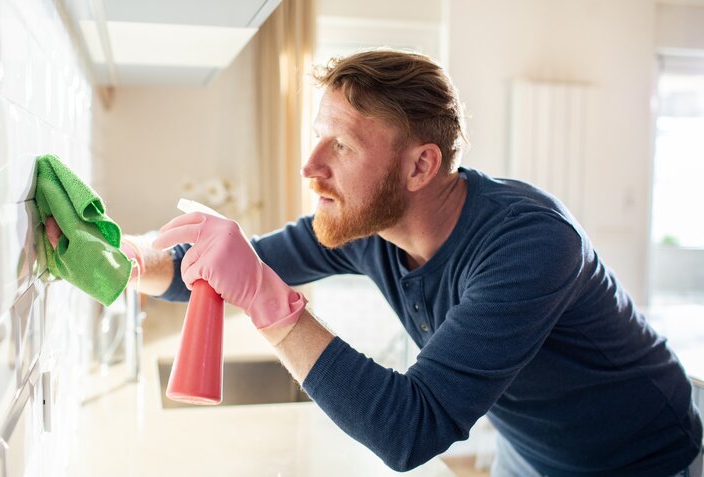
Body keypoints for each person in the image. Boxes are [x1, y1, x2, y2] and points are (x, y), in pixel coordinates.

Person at [52, 50, 703, 476]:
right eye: (316, 137)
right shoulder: (362, 226)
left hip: (645, 458)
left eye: (340, 145)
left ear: (420, 164)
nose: (311, 167)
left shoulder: (530, 245)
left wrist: (269, 303)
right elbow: (218, 269)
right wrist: (124, 255)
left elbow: (410, 428)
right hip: (530, 458)